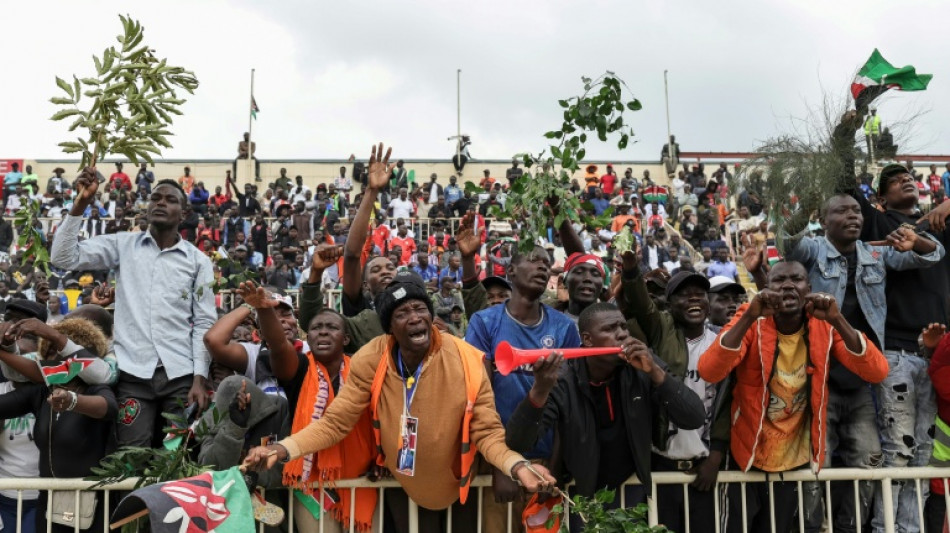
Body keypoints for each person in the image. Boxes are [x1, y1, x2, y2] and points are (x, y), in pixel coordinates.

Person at [243, 272, 556, 533]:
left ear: (432, 316)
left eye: (420, 309)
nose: (415, 318)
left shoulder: (466, 359)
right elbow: (336, 422)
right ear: (390, 327)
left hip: (456, 484)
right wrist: (282, 449)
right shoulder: (371, 357)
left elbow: (487, 432)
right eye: (402, 313)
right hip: (397, 483)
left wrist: (517, 465)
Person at [784, 192, 943, 532]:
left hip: (863, 379)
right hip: (819, 376)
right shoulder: (814, 249)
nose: (853, 216)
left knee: (868, 465)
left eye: (857, 210)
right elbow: (787, 242)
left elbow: (932, 256)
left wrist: (917, 241)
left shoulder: (874, 252)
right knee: (816, 467)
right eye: (842, 211)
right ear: (824, 221)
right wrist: (803, 205)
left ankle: (852, 528)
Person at [698, 261, 888, 533]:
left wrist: (837, 319)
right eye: (779, 280)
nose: (788, 285)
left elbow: (877, 371)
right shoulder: (751, 317)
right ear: (767, 288)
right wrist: (750, 317)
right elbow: (709, 370)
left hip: (793, 461)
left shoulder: (825, 323)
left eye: (796, 279)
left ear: (809, 289)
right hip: (746, 455)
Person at [50, 171, 214, 448]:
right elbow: (63, 257)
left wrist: (200, 378)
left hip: (180, 377)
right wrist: (81, 203)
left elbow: (204, 322)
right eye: (155, 198)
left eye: (170, 200)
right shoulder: (123, 245)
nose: (160, 203)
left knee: (175, 459)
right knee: (130, 458)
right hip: (132, 375)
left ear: (184, 213)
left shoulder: (198, 261)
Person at [507, 303, 705, 527]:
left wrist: (656, 373)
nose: (622, 334)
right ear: (588, 340)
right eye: (610, 329)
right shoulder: (563, 379)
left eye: (623, 327)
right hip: (581, 495)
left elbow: (694, 418)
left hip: (632, 489)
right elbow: (518, 441)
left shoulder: (642, 365)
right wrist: (539, 390)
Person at [464, 243, 581, 533]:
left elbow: (567, 406)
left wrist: (554, 467)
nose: (543, 266)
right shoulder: (484, 322)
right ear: (511, 271)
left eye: (547, 262)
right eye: (534, 260)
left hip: (547, 463)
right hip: (497, 460)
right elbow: (477, 397)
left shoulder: (564, 328)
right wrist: (500, 466)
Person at [619, 251, 725, 531]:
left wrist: (716, 456)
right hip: (662, 463)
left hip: (704, 465)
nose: (693, 299)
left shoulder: (722, 342)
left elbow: (728, 403)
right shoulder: (660, 329)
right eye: (683, 295)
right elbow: (642, 305)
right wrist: (631, 273)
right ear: (669, 304)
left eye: (700, 294)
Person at [0, 316, 117, 533]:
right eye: (50, 352)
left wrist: (73, 402)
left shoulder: (98, 388)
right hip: (50, 504)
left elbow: (106, 407)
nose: (54, 358)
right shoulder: (42, 392)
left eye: (62, 351)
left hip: (93, 507)